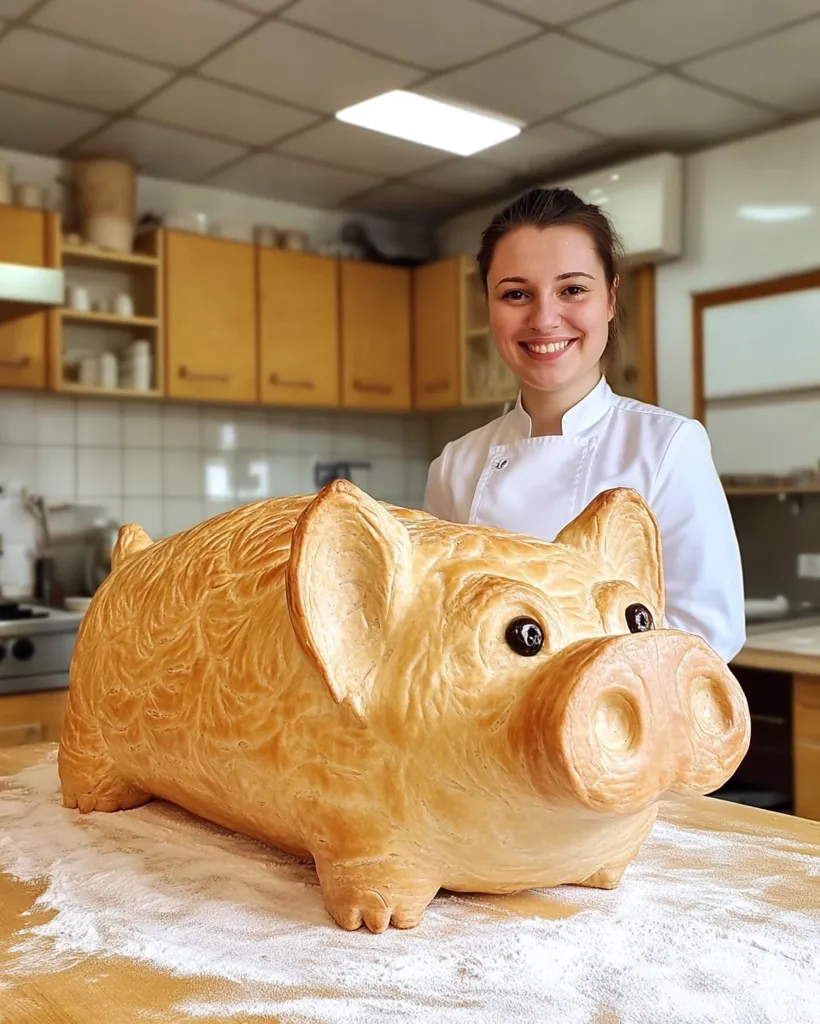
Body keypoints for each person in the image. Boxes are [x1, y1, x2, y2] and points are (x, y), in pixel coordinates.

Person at [423, 186, 745, 664]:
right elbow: (437, 623)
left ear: (610, 299)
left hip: (624, 727)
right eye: (516, 294)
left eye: (572, 289)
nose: (544, 319)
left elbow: (707, 632)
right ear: (488, 306)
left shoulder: (668, 446)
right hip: (487, 732)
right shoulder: (456, 465)